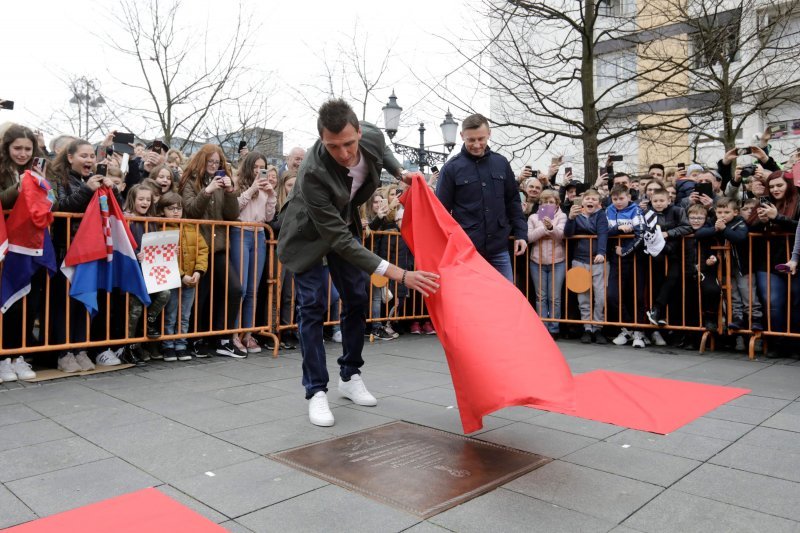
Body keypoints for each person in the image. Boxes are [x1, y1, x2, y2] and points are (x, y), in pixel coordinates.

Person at [277, 99, 439, 427]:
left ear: (360, 132)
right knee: (312, 306)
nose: (345, 153)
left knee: (356, 298)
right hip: (307, 234)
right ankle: (316, 391)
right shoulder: (312, 172)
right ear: (321, 140)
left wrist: (399, 172)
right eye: (333, 146)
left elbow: (383, 153)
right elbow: (338, 240)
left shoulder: (373, 136)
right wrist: (397, 273)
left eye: (349, 143)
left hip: (343, 223)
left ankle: (350, 376)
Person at [435, 113, 527, 282]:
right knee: (470, 304)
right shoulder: (451, 168)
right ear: (462, 136)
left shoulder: (501, 163)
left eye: (481, 139)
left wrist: (521, 234)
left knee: (506, 301)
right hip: (467, 250)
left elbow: (513, 201)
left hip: (499, 249)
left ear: (489, 134)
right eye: (471, 140)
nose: (477, 145)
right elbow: (440, 212)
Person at [179, 144, 243, 358]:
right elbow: (190, 210)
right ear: (202, 161)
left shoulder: (223, 183)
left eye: (218, 162)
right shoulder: (189, 181)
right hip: (198, 246)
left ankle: (223, 338)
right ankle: (195, 339)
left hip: (219, 246)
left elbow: (231, 214)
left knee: (235, 289)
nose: (214, 166)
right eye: (211, 162)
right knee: (201, 295)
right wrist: (207, 191)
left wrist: (230, 191)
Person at [0, 125, 42, 382]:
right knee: (8, 303)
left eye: (27, 148)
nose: (23, 153)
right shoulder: (3, 171)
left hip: (31, 247)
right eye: (18, 148)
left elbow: (52, 203)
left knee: (29, 303)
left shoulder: (37, 170)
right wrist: (19, 187)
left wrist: (40, 182)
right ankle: (4, 358)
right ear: (7, 147)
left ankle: (20, 356)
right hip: (7, 247)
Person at [230, 153, 276, 353]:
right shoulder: (238, 183)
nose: (259, 170)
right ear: (249, 167)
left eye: (262, 166)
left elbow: (268, 216)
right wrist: (252, 189)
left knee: (253, 289)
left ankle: (248, 334)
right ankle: (234, 333)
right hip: (240, 232)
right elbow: (234, 208)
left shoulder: (265, 189)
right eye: (256, 166)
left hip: (258, 235)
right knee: (240, 287)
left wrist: (272, 195)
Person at [120, 184, 171, 366]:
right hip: (133, 271)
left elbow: (156, 243)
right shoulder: (126, 219)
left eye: (148, 199)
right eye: (141, 199)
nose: (145, 202)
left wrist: (169, 250)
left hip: (150, 270)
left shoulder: (152, 220)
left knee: (165, 294)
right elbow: (122, 244)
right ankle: (129, 346)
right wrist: (135, 254)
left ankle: (149, 322)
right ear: (132, 199)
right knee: (134, 309)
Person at [159, 192, 208, 362]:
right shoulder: (162, 227)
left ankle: (181, 344)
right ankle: (168, 345)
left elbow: (203, 250)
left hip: (191, 279)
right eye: (170, 208)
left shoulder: (190, 226)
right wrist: (181, 275)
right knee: (171, 313)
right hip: (173, 279)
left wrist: (198, 271)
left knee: (185, 314)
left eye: (178, 208)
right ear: (162, 210)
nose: (175, 212)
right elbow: (162, 256)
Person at [605, 185, 648, 348]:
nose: (618, 202)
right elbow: (603, 231)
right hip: (617, 260)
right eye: (615, 199)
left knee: (637, 296)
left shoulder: (636, 210)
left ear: (628, 197)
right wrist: (617, 229)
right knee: (613, 296)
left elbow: (641, 234)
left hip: (635, 258)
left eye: (621, 198)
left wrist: (625, 250)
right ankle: (627, 329)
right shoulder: (608, 210)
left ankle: (639, 332)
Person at [564, 189, 608, 344]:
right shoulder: (576, 216)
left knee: (600, 297)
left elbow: (603, 233)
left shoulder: (601, 215)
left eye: (594, 199)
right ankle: (587, 328)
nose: (590, 201)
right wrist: (570, 218)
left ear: (599, 203)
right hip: (579, 261)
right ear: (582, 202)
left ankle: (598, 327)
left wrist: (602, 252)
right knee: (583, 298)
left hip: (598, 261)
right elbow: (568, 234)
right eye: (587, 198)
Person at [644, 188, 691, 327]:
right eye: (655, 201)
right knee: (657, 282)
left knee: (672, 279)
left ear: (669, 200)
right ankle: (659, 314)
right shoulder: (648, 213)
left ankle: (658, 309)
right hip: (656, 253)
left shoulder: (677, 211)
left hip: (674, 252)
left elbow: (687, 227)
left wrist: (668, 233)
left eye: (661, 200)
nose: (658, 203)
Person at [527, 189, 566, 339]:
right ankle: (543, 327)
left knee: (554, 297)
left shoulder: (562, 216)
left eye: (551, 202)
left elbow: (561, 235)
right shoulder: (532, 217)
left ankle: (554, 328)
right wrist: (545, 228)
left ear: (557, 204)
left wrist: (551, 227)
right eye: (545, 202)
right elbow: (529, 237)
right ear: (540, 203)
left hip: (558, 260)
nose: (548, 205)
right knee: (540, 297)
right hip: (537, 261)